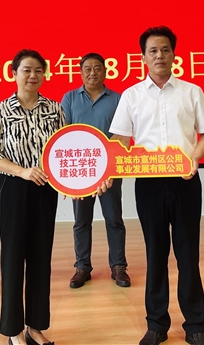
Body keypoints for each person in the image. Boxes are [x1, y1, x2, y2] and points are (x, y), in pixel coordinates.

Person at [110, 27, 204, 345]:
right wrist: (109, 170)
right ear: (142, 57)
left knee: (188, 255)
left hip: (186, 182)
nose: (159, 55)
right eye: (153, 50)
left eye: (165, 49)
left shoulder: (191, 92)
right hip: (148, 185)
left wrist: (194, 158)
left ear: (174, 54)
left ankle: (195, 326)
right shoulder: (131, 95)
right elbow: (120, 139)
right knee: (155, 254)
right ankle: (156, 325)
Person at [0, 50, 66, 345]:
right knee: (12, 257)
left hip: (45, 189)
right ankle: (13, 330)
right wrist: (22, 172)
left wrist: (67, 183)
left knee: (41, 258)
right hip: (14, 189)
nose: (33, 76)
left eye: (38, 71)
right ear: (14, 73)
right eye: (26, 70)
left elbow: (63, 150)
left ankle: (35, 327)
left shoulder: (54, 109)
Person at [61, 53, 130, 289]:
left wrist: (108, 163)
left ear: (106, 71)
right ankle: (82, 267)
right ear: (80, 72)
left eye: (98, 68)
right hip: (80, 171)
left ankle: (118, 266)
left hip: (110, 170)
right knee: (81, 221)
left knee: (114, 218)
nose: (93, 73)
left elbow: (123, 134)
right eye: (88, 69)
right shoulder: (70, 98)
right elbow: (63, 134)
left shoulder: (118, 99)